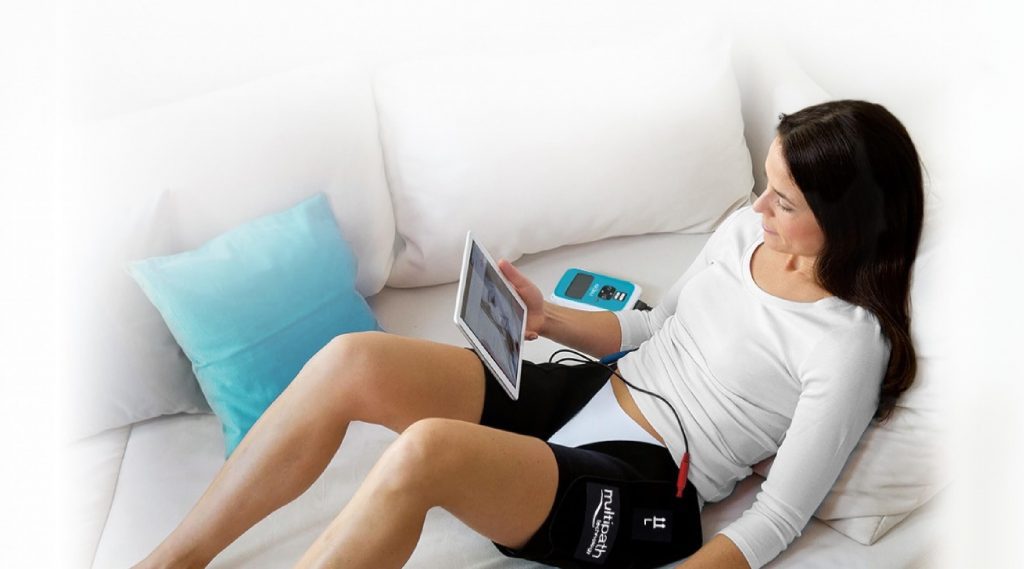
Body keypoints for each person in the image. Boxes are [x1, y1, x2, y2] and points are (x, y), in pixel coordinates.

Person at [132, 99, 924, 569]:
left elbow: (776, 520)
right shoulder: (743, 235)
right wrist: (547, 318)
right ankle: (175, 558)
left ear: (846, 217)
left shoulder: (848, 343)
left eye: (783, 201)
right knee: (352, 359)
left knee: (425, 452)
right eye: (765, 185)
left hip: (644, 481)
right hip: (593, 389)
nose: (758, 210)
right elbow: (657, 324)